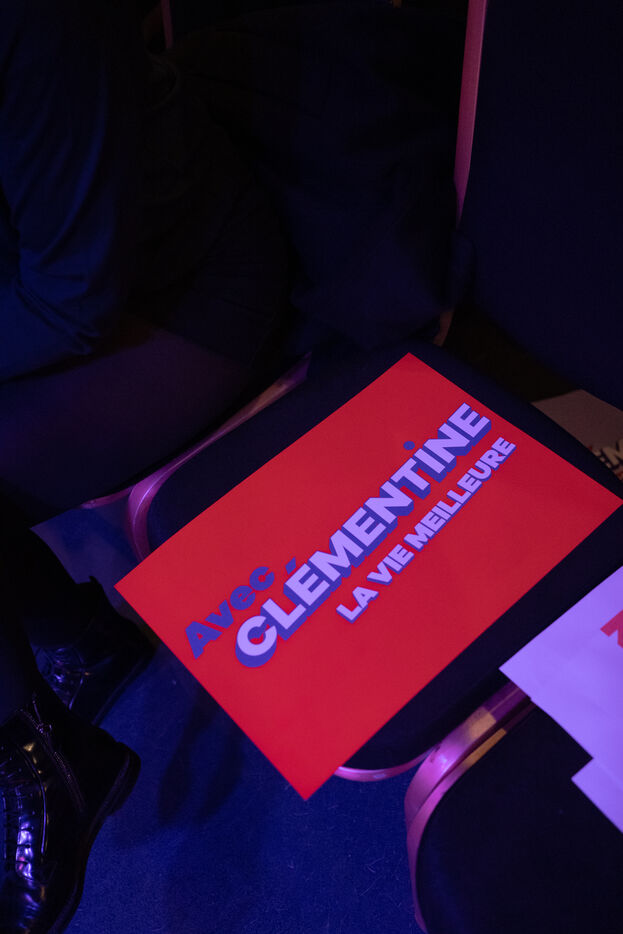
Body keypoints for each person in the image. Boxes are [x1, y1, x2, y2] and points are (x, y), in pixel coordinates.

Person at [0, 2, 290, 932]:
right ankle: (80, 642)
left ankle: (42, 766)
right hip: (54, 288)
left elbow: (73, 296)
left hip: (179, 300)